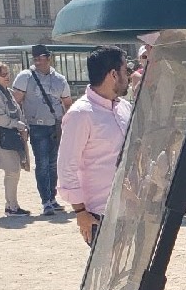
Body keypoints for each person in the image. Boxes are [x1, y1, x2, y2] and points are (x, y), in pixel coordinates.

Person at [57, 46, 133, 246]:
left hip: (130, 209)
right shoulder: (80, 114)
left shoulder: (124, 108)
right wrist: (80, 212)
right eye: (126, 70)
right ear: (114, 74)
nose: (129, 76)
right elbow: (66, 167)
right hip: (99, 214)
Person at [12, 44, 72, 215]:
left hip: (56, 125)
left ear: (49, 58)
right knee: (42, 163)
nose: (38, 61)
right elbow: (16, 102)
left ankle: (52, 198)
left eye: (41, 58)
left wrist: (67, 124)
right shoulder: (25, 77)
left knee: (54, 164)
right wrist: (20, 124)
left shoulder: (60, 79)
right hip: (36, 125)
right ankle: (45, 200)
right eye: (35, 58)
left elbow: (67, 103)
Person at [0, 62, 32, 216]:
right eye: (3, 74)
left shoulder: (8, 92)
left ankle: (12, 204)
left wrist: (23, 125)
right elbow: (0, 119)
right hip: (2, 136)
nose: (7, 77)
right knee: (12, 170)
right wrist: (17, 124)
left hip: (13, 134)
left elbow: (18, 111)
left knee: (14, 170)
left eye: (8, 73)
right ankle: (11, 206)